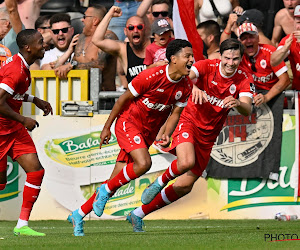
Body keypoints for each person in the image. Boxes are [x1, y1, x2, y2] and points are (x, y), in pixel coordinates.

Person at [67, 38, 194, 236]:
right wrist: (106, 128)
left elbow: (175, 114)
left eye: (192, 56)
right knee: (144, 163)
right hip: (129, 123)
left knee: (114, 181)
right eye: (188, 56)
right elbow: (122, 100)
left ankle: (78, 214)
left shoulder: (185, 87)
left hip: (147, 133)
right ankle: (111, 192)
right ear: (173, 59)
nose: (192, 60)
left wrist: (167, 134)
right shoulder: (152, 75)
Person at [126, 38, 254, 232]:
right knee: (186, 162)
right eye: (227, 57)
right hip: (189, 121)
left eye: (235, 59)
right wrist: (192, 86)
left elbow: (248, 109)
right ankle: (159, 182)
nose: (230, 62)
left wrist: (238, 104)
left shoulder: (244, 78)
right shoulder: (205, 66)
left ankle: (138, 214)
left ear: (241, 59)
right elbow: (184, 74)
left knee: (185, 185)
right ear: (220, 56)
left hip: (209, 135)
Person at [0, 29, 53, 236]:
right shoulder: (16, 69)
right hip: (2, 129)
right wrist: (24, 119)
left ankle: (22, 225)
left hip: (13, 129)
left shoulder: (21, 65)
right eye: (41, 42)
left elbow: (13, 93)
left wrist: (34, 100)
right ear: (28, 47)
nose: (45, 45)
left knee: (36, 171)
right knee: (1, 183)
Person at [51, 4, 118, 108]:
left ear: (95, 20)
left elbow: (99, 65)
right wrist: (68, 63)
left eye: (85, 17)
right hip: (79, 98)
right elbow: (70, 63)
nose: (82, 20)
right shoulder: (80, 39)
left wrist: (71, 66)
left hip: (103, 100)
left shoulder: (108, 37)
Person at [92, 5, 151, 86]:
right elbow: (97, 40)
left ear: (145, 30)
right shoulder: (123, 49)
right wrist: (109, 14)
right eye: (131, 27)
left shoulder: (155, 45)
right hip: (136, 97)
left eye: (139, 27)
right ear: (125, 31)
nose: (136, 30)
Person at [237, 23, 290, 106]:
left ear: (258, 38)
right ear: (239, 42)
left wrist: (266, 97)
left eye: (251, 37)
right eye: (244, 38)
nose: (248, 41)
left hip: (274, 98)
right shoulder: (237, 56)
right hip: (252, 100)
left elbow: (285, 80)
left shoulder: (269, 51)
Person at [271, 5, 300, 90]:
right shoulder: (289, 39)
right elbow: (273, 61)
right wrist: (284, 49)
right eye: (298, 23)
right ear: (294, 23)